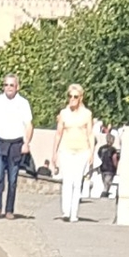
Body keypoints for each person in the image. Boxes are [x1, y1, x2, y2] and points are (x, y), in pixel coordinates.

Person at [0, 72, 32, 217]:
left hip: (16, 144)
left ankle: (9, 209)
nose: (8, 88)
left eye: (11, 85)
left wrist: (26, 143)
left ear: (17, 87)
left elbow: (29, 125)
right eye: (6, 85)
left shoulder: (23, 103)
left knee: (12, 179)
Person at [54, 84, 100, 223]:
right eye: (70, 96)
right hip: (66, 149)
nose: (72, 99)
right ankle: (66, 211)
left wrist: (92, 152)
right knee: (67, 180)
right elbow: (58, 133)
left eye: (75, 96)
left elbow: (90, 134)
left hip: (82, 151)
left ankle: (74, 213)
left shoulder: (87, 114)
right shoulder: (64, 113)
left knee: (77, 181)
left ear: (81, 98)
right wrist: (54, 153)